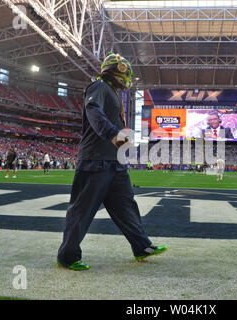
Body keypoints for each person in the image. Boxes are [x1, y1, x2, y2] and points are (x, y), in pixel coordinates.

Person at [57, 52, 167, 271]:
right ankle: (67, 256)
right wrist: (114, 134)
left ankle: (141, 247)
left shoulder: (111, 92)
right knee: (82, 210)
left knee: (127, 206)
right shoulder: (98, 87)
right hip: (94, 160)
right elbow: (93, 111)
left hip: (113, 163)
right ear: (118, 70)